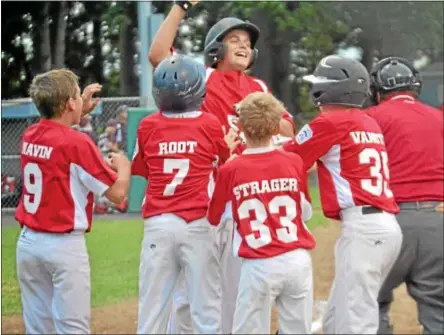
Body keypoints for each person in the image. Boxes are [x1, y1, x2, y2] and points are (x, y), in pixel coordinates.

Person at [149, 2, 296, 332]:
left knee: (234, 287)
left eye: (247, 41)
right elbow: (159, 56)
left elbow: (288, 130)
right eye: (235, 39)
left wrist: (257, 115)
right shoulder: (202, 79)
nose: (245, 45)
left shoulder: (258, 88)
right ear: (215, 49)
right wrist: (181, 7)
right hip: (207, 199)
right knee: (192, 294)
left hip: (243, 199)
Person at [282, 55, 403, 334]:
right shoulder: (366, 122)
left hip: (364, 227)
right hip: (380, 226)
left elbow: (288, 159)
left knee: (356, 320)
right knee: (337, 317)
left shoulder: (331, 121)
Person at [14, 69, 131, 334]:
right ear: (69, 103)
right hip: (63, 246)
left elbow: (57, 135)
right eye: (78, 96)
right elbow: (117, 193)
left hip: (28, 243)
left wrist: (78, 112)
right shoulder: (77, 142)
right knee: (72, 328)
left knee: (38, 327)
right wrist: (124, 166)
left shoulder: (31, 133)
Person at [132, 54, 238, 334]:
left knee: (152, 308)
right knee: (206, 307)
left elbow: (141, 168)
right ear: (199, 92)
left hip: (158, 223)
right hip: (198, 222)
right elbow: (223, 160)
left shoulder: (147, 125)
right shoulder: (209, 123)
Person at [207, 92, 316, 334]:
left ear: (241, 126)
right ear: (277, 126)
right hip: (298, 258)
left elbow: (215, 217)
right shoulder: (294, 161)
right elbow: (305, 211)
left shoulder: (231, 168)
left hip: (258, 264)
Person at [365, 57, 444, 335]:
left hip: (390, 221)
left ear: (376, 90)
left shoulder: (370, 118)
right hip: (439, 219)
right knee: (438, 308)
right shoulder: (438, 117)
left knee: (369, 302)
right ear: (415, 86)